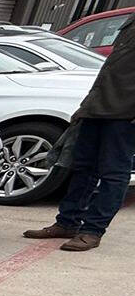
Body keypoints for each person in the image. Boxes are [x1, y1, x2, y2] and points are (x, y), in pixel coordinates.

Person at [24, 15, 135, 251]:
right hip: (96, 108)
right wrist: (86, 107)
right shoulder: (131, 22)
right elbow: (111, 71)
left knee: (113, 174)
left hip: (125, 114)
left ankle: (92, 231)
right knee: (82, 167)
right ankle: (67, 222)